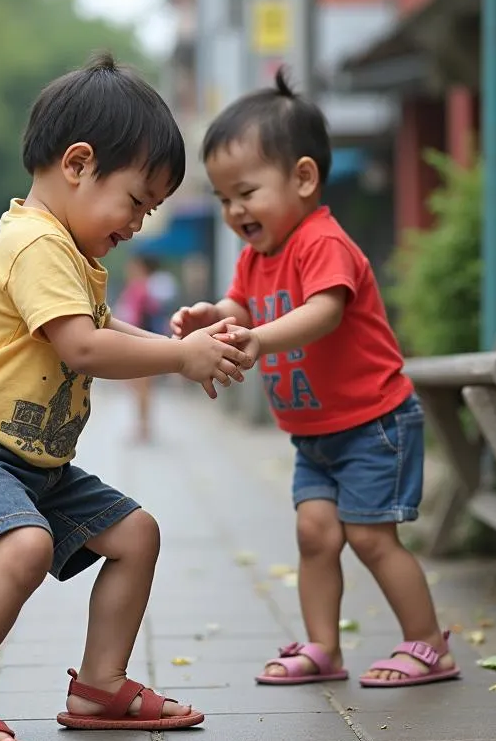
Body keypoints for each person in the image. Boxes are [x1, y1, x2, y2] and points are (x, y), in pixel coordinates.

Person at [0, 53, 254, 741]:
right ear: (79, 164)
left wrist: (174, 341)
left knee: (134, 535)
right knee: (23, 549)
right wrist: (180, 359)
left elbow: (101, 331)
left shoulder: (70, 254)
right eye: (137, 200)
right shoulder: (34, 243)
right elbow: (83, 349)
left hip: (28, 456)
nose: (140, 223)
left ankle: (99, 684)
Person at [171, 67, 459, 689]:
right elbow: (242, 307)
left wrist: (257, 338)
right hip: (316, 432)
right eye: (223, 198)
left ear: (303, 177)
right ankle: (323, 647)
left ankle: (430, 643)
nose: (234, 210)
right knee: (313, 533)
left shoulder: (321, 241)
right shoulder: (257, 257)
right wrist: (214, 316)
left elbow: (323, 312)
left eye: (245, 191)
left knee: (370, 537)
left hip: (373, 421)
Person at [113, 256, 161, 442]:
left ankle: (143, 426)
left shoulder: (140, 289)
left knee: (142, 388)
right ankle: (143, 425)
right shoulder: (140, 288)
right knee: (141, 388)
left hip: (138, 343)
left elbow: (136, 317)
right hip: (138, 341)